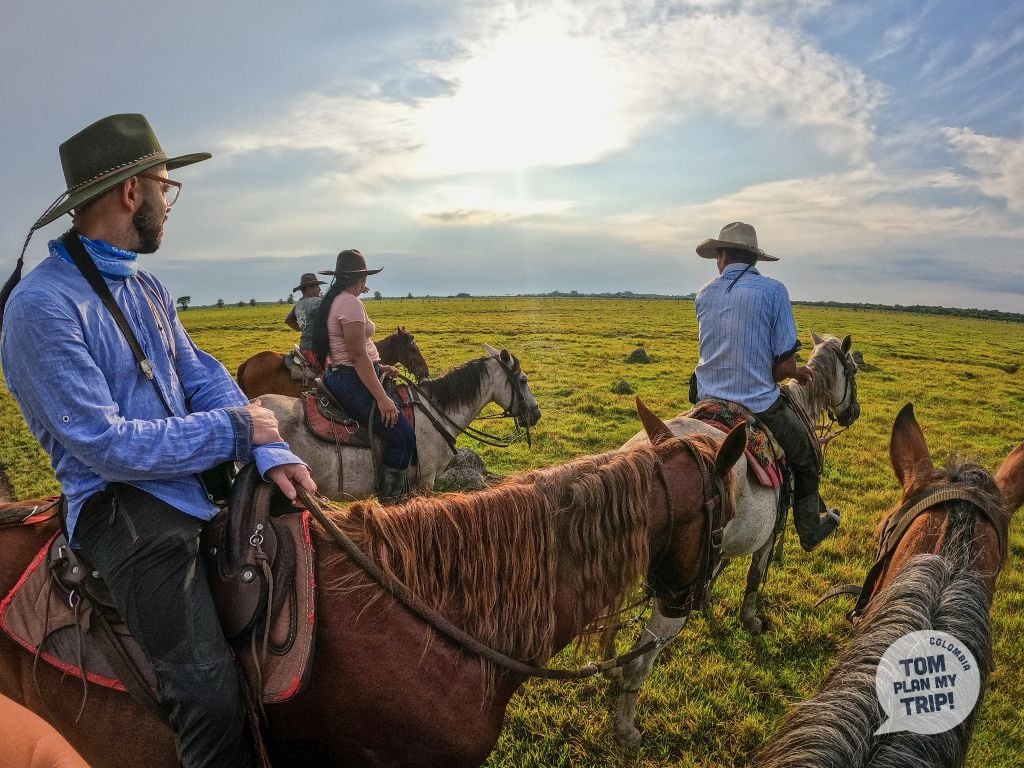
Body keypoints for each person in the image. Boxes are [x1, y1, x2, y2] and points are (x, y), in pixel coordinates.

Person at [0, 113, 317, 768]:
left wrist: (268, 448)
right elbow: (104, 444)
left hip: (194, 481)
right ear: (129, 194)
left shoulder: (145, 286)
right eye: (164, 189)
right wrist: (237, 429)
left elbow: (201, 375)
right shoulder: (41, 308)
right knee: (209, 699)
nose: (168, 206)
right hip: (125, 511)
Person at [692, 221, 840, 551]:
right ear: (754, 258)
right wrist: (797, 372)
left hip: (706, 399)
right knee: (806, 457)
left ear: (722, 256)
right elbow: (782, 369)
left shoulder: (703, 294)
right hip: (757, 402)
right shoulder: (774, 291)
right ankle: (809, 530)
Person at [310, 249, 415, 501]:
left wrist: (380, 367)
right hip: (352, 379)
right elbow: (357, 355)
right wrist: (382, 398)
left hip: (345, 374)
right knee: (404, 437)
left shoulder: (337, 300)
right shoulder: (349, 303)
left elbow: (358, 352)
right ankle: (390, 502)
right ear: (362, 277)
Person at [285, 272, 324, 368]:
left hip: (304, 345)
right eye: (317, 286)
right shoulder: (315, 302)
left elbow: (288, 320)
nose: (319, 289)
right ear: (309, 288)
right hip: (314, 348)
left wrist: (303, 328)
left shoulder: (299, 304)